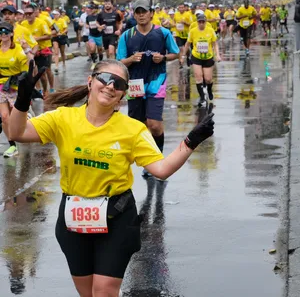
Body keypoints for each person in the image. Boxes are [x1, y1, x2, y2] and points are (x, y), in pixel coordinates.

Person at [9, 58, 214, 297]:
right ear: (90, 82)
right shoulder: (62, 118)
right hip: (74, 219)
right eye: (105, 79)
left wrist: (191, 141)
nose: (110, 86)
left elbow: (161, 169)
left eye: (118, 84)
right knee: (88, 294)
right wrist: (22, 102)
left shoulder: (132, 129)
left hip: (116, 219)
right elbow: (17, 132)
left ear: (122, 95)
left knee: (104, 292)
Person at [116, 0, 180, 176]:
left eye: (144, 11)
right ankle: (148, 160)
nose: (141, 15)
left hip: (156, 82)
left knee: (155, 124)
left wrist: (164, 58)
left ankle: (157, 159)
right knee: (140, 126)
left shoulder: (163, 33)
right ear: (134, 15)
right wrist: (131, 59)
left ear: (151, 13)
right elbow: (120, 61)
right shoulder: (127, 36)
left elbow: (176, 53)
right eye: (138, 12)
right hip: (134, 84)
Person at [0, 22, 28, 158]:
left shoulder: (17, 49)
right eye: (0, 31)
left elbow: (25, 69)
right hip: (1, 86)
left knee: (17, 116)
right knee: (5, 117)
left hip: (15, 86)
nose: (3, 34)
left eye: (6, 31)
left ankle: (29, 132)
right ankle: (12, 146)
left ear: (11, 33)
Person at [181, 13, 221, 105]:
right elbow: (187, 44)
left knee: (208, 79)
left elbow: (215, 44)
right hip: (196, 57)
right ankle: (202, 97)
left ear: (206, 22)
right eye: (200, 22)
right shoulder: (193, 31)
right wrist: (183, 56)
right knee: (198, 78)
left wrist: (217, 54)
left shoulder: (210, 30)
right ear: (197, 22)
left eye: (203, 22)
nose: (201, 24)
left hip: (208, 57)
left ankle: (209, 90)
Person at [86, 2, 104, 68]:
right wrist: (87, 26)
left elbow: (103, 24)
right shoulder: (88, 17)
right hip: (91, 35)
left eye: (92, 9)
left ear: (96, 9)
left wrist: (100, 27)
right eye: (90, 9)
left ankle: (101, 62)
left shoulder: (99, 16)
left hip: (99, 35)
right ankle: (94, 62)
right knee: (92, 48)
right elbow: (86, 24)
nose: (91, 10)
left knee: (100, 51)